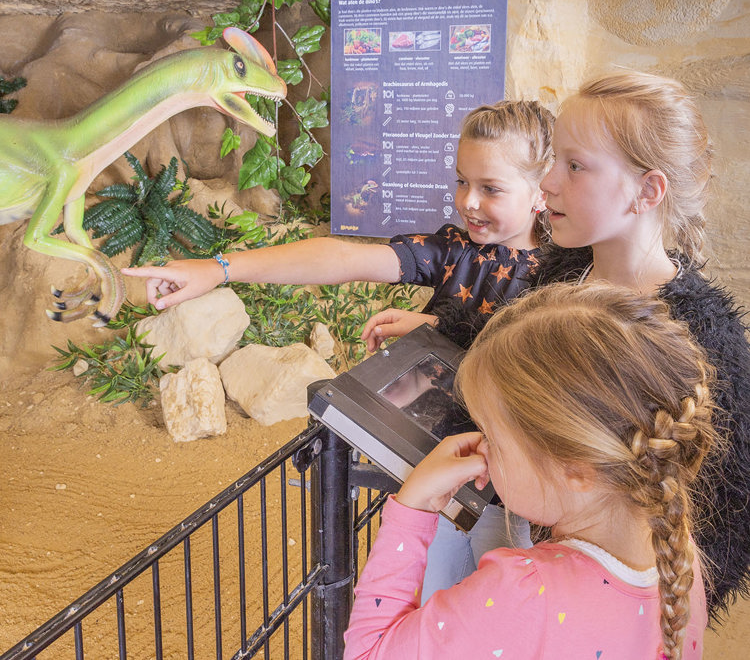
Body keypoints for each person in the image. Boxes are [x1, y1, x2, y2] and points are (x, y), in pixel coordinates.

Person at [387, 69, 749, 621]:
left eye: (574, 166)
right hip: (517, 537)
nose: (548, 182)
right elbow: (514, 353)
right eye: (555, 158)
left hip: (598, 605)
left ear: (647, 190)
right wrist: (439, 334)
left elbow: (723, 517)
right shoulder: (563, 270)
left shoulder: (696, 339)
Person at [343, 282, 717, 660]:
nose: (481, 446)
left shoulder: (523, 592)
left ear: (576, 470)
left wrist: (413, 508)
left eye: (492, 435)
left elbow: (368, 653)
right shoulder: (679, 556)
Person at [122, 100, 554, 334]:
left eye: (491, 189)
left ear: (542, 192)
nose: (468, 203)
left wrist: (436, 326)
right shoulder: (454, 251)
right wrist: (219, 269)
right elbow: (343, 259)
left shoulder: (566, 274)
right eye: (462, 181)